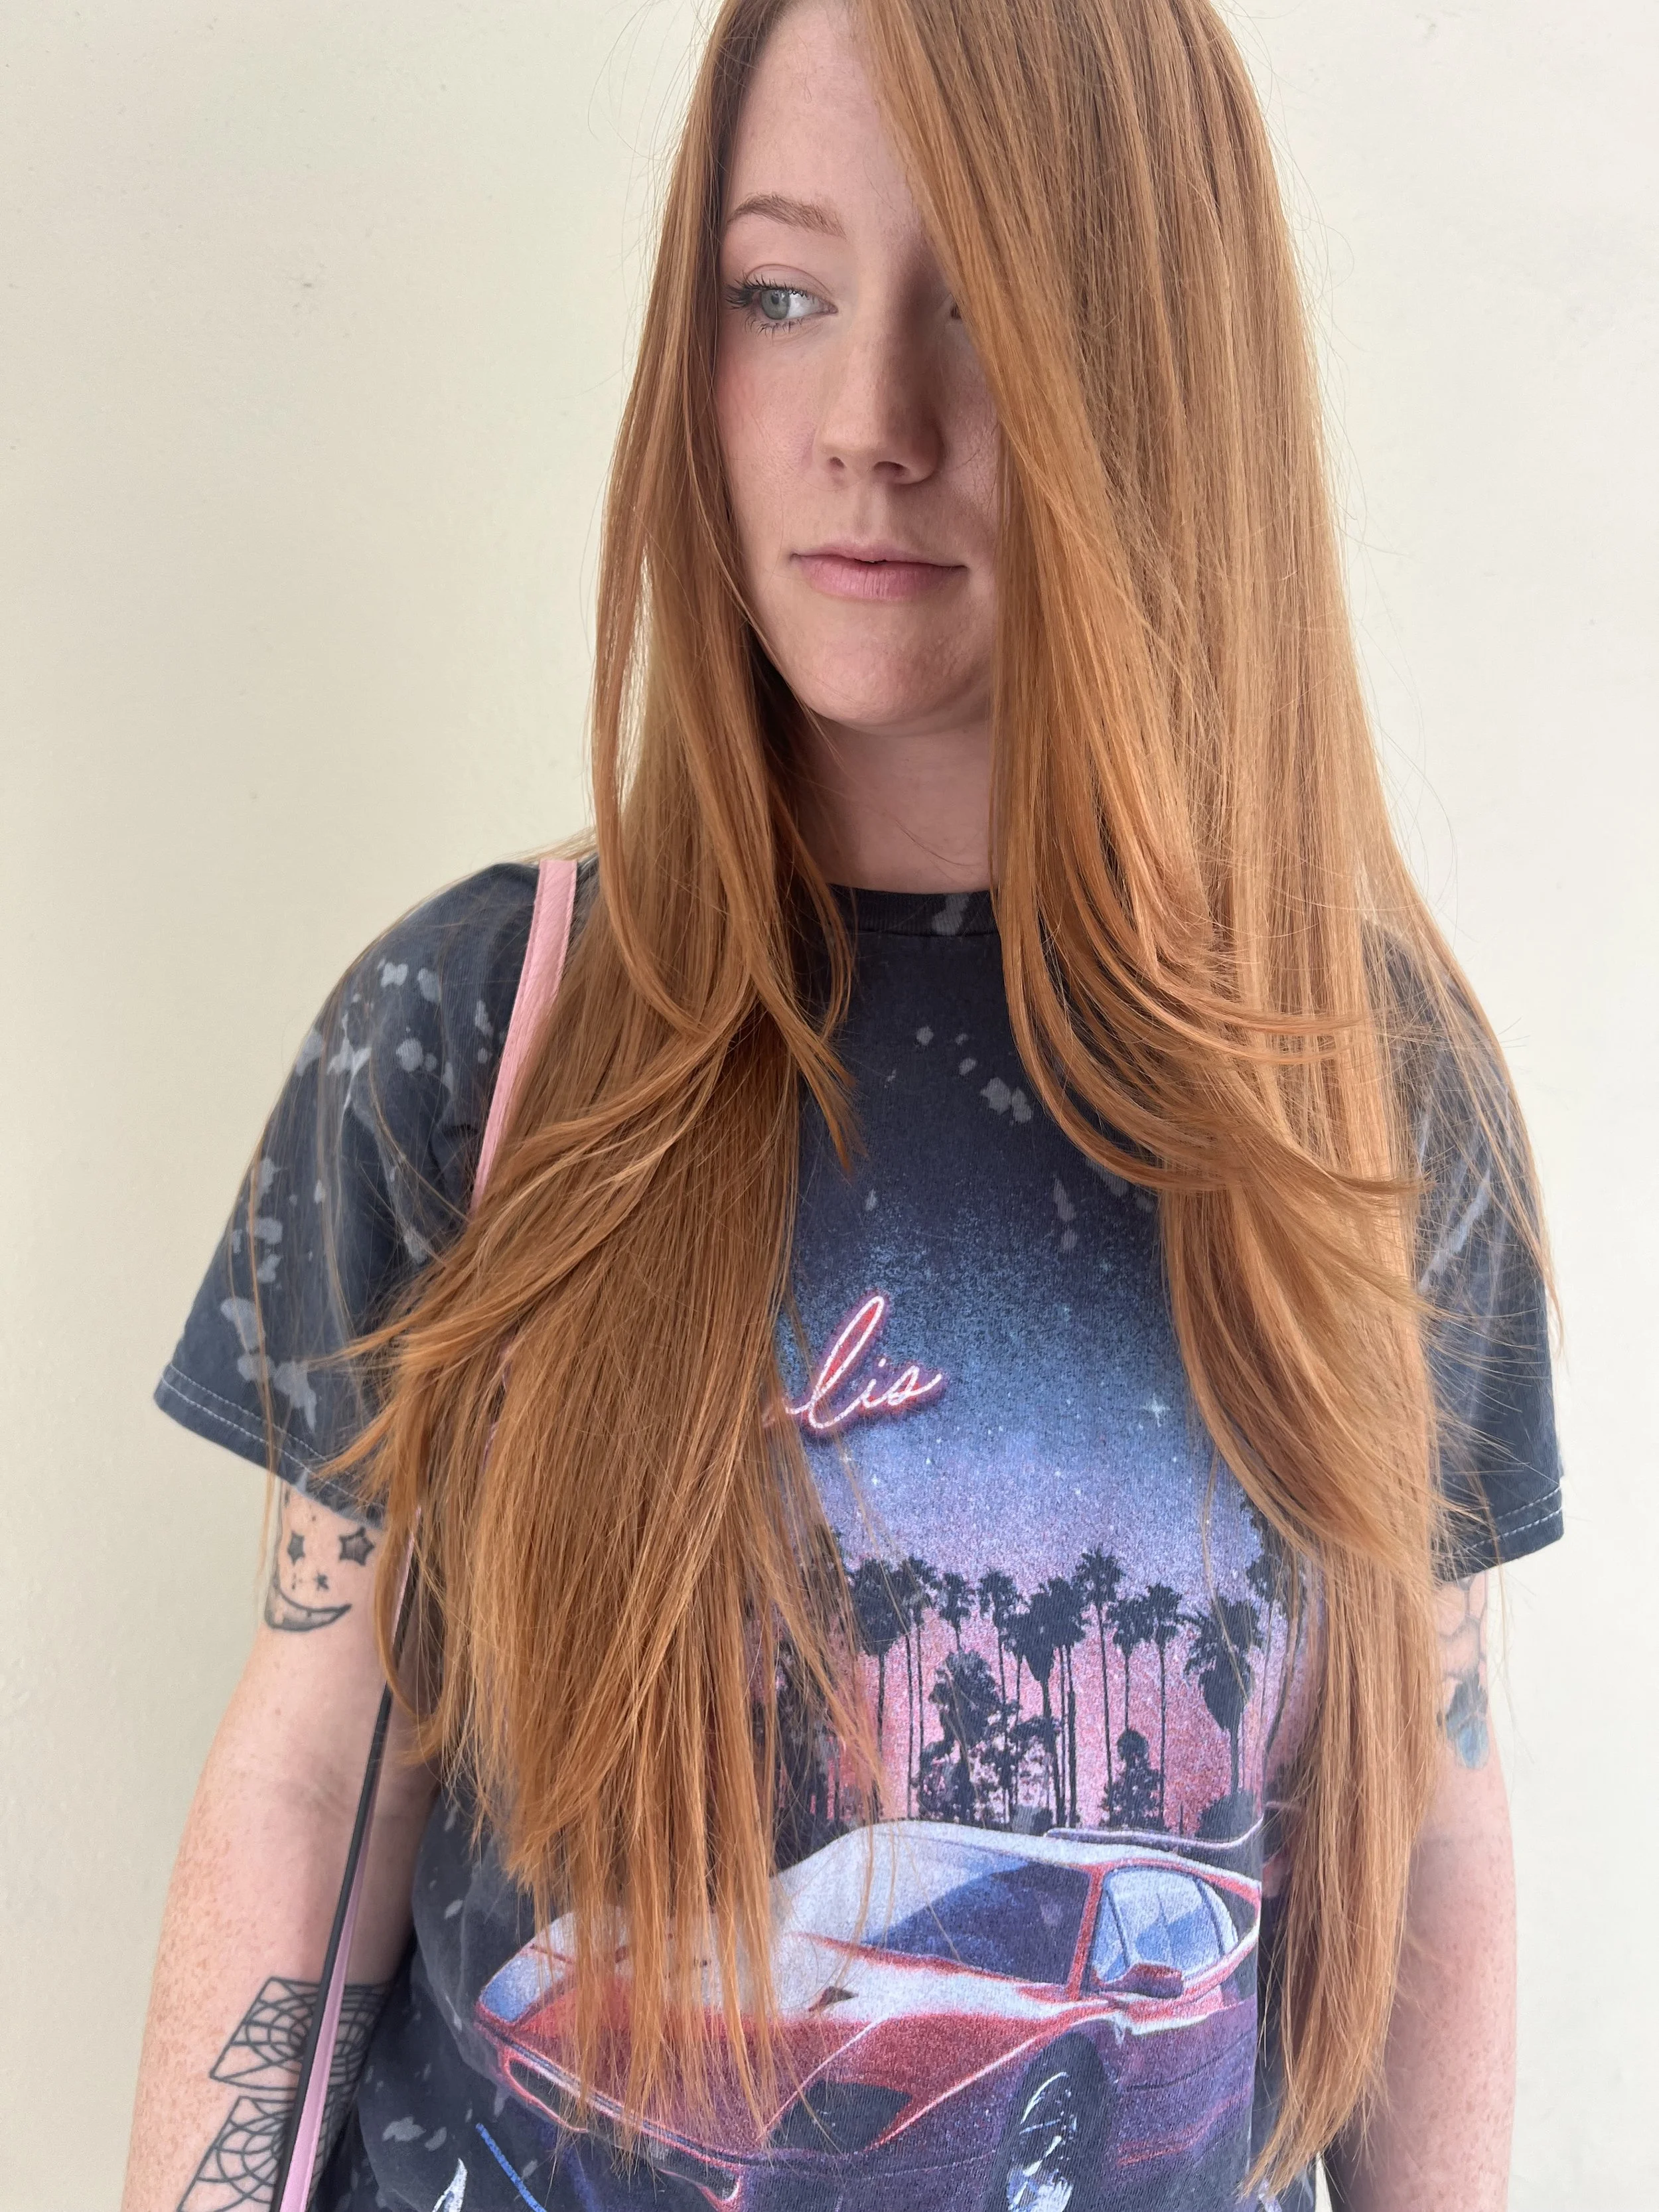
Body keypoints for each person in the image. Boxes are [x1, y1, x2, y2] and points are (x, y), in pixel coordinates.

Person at [120, 2, 1563, 2208]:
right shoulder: (468, 1030)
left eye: (982, 306)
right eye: (778, 293)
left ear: (1154, 374)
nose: (867, 425)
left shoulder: (1367, 1096)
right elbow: (319, 1767)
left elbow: (1426, 1816)